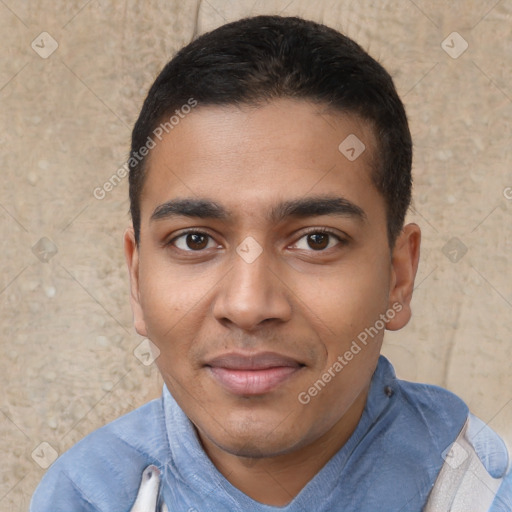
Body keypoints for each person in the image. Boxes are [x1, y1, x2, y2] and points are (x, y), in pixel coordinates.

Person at [30, 14, 511, 511]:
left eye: (317, 240)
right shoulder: (88, 494)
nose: (248, 305)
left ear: (399, 277)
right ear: (136, 280)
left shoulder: (483, 492)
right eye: (195, 241)